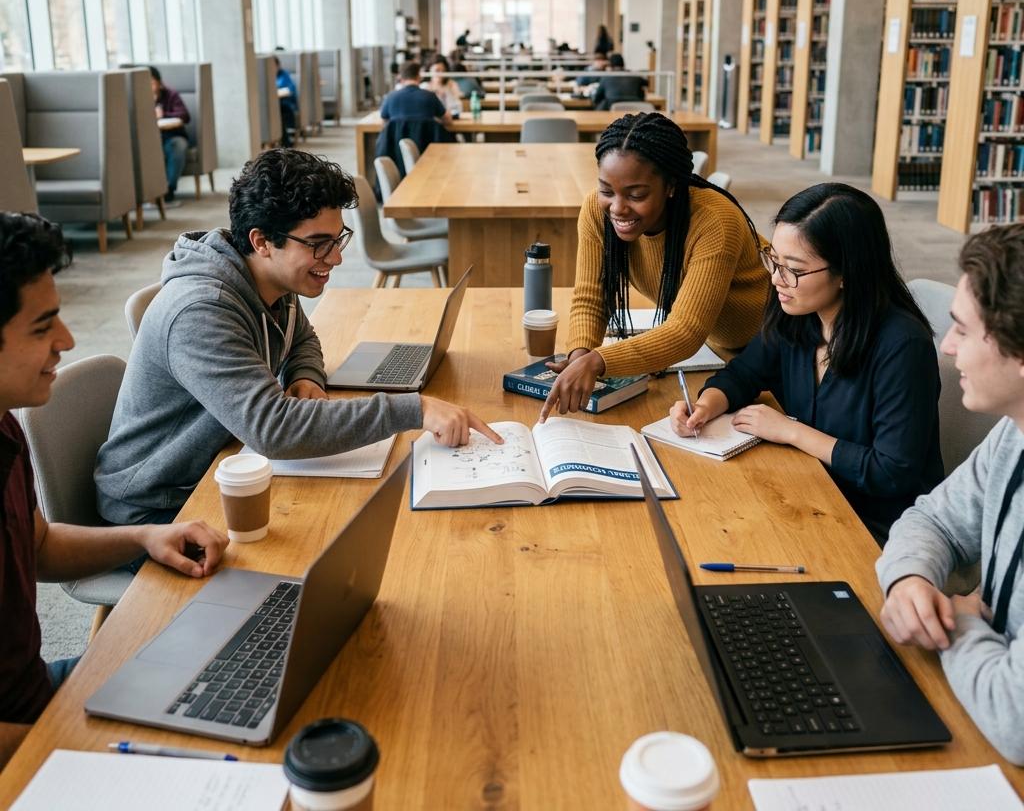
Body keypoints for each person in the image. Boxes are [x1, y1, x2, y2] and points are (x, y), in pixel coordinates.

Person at [95, 150, 499, 526]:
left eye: (337, 239)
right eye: (319, 245)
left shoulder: (268, 278)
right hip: (161, 504)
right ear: (261, 241)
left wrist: (305, 377)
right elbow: (273, 430)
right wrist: (415, 410)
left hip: (228, 463)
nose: (336, 258)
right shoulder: (201, 310)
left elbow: (301, 338)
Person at [0, 212, 227, 767]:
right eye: (41, 327)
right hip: (23, 740)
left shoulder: (4, 424)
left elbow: (38, 545)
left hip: (38, 695)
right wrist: (73, 746)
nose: (67, 341)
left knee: (236, 672)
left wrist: (146, 536)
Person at [671, 183, 942, 541]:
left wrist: (791, 431)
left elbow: (890, 472)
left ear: (846, 272)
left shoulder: (902, 346)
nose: (776, 279)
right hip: (809, 492)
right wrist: (704, 406)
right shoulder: (797, 312)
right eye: (774, 261)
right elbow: (745, 372)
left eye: (793, 269)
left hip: (879, 526)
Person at [876, 224, 1024, 765]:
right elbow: (932, 520)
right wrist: (910, 579)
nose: (945, 345)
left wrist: (957, 618)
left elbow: (1016, 718)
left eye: (962, 329)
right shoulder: (1015, 431)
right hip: (974, 701)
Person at [539, 112, 769, 422]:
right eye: (607, 190)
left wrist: (599, 361)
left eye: (636, 195)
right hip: (717, 351)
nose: (618, 208)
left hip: (774, 343)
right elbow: (591, 297)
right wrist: (579, 355)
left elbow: (686, 331)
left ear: (671, 186)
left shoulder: (714, 221)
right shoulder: (597, 212)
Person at [150, 66, 191, 204]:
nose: (149, 87)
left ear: (159, 82)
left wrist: (163, 115)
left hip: (172, 135)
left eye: (152, 83)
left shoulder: (171, 95)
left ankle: (169, 189)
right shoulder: (138, 99)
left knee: (176, 146)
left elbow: (184, 115)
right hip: (151, 140)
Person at [380, 61, 452, 129]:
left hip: (397, 141)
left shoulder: (390, 97)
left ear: (400, 78)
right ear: (419, 76)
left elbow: (384, 122)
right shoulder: (430, 96)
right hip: (426, 141)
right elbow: (448, 120)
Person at [273, 54, 299, 147]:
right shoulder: (267, 76)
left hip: (287, 103)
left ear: (278, 65)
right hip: (276, 104)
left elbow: (288, 90)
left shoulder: (284, 75)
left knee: (278, 110)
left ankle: (286, 141)